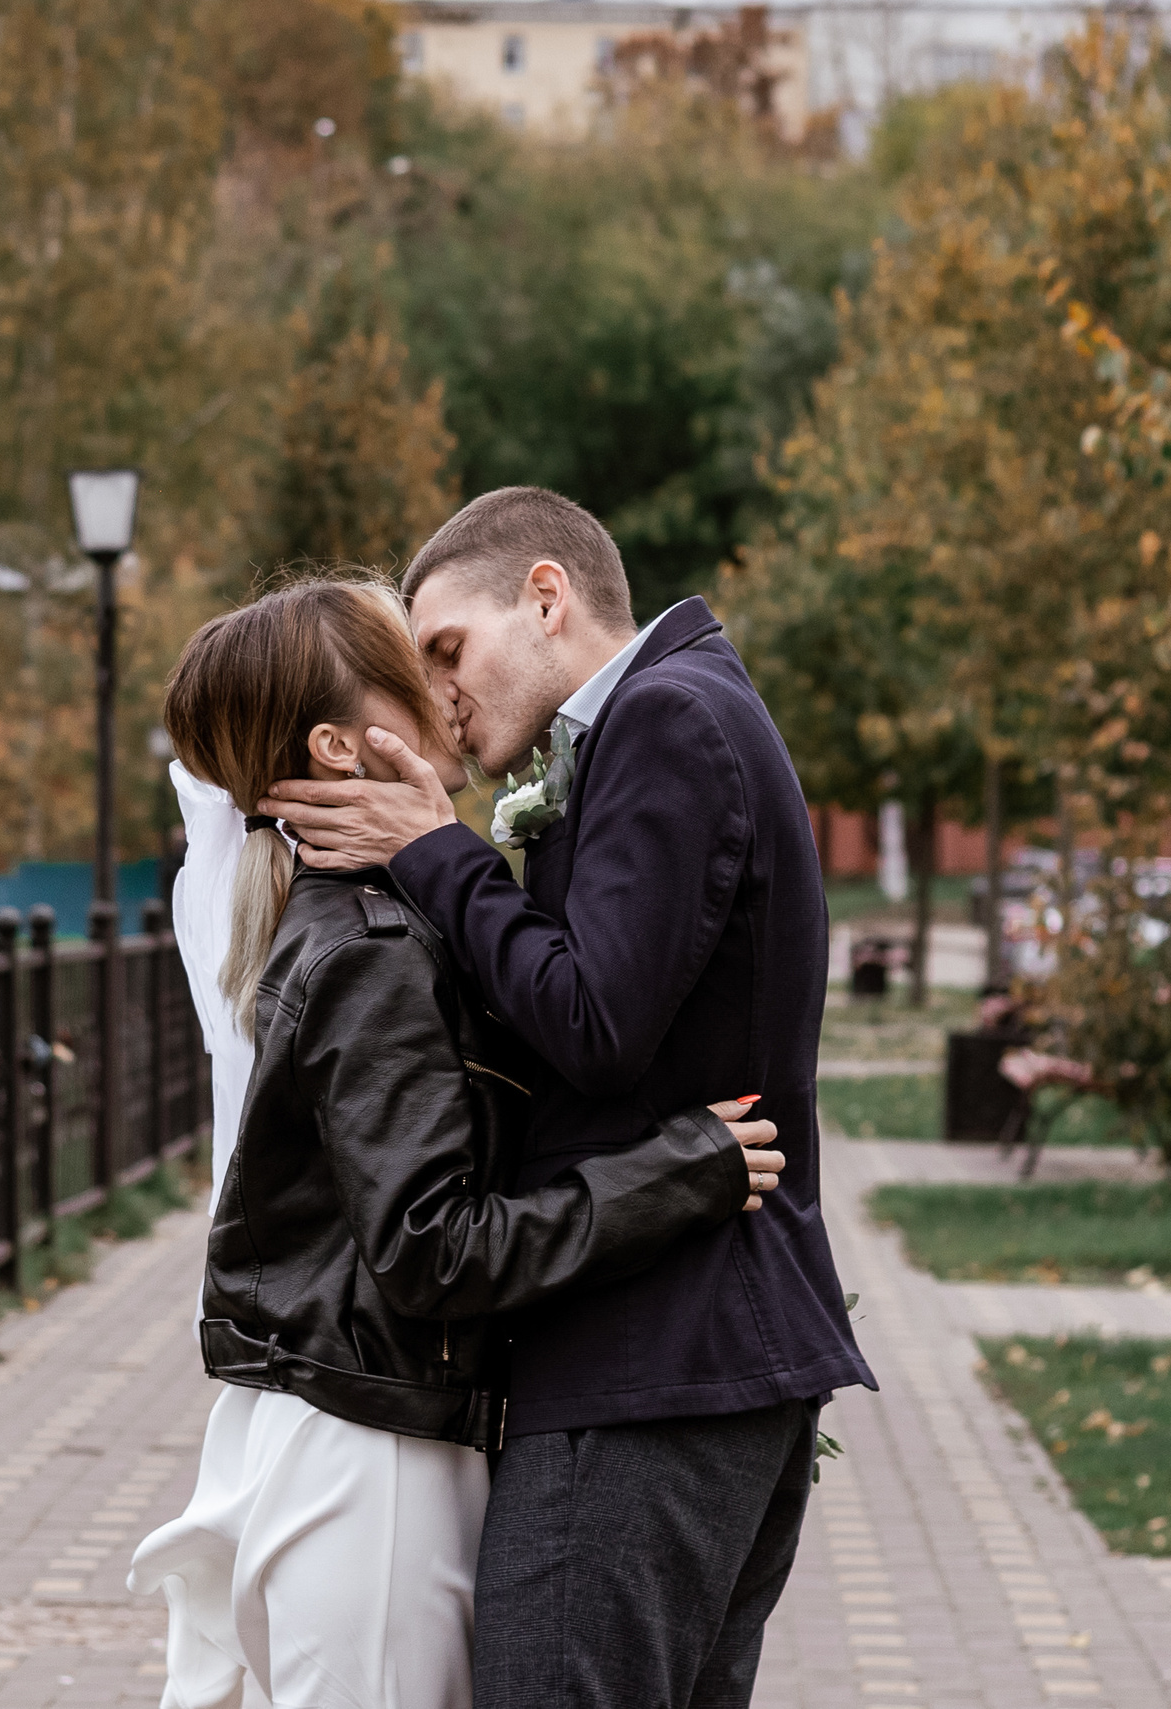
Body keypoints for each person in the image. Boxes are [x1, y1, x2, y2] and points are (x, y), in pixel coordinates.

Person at [260, 491, 876, 1709]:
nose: (437, 695)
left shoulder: (668, 717)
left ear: (545, 596)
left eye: (447, 649)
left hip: (650, 1366)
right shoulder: (678, 712)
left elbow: (594, 1020)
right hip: (698, 1367)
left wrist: (437, 851)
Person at [130, 577, 788, 1709]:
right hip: (368, 1463)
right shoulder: (373, 946)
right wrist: (676, 1174)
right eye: (411, 658)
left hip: (373, 1433)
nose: (445, 684)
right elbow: (432, 1249)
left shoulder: (380, 918)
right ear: (341, 743)